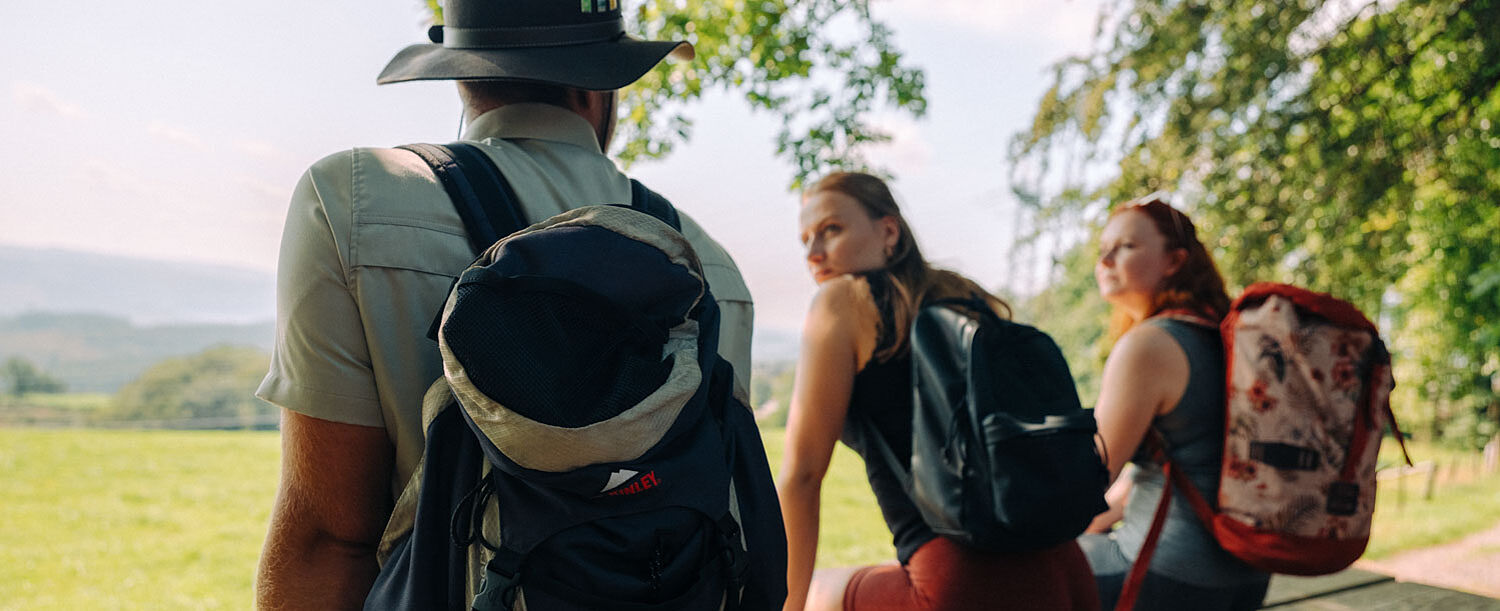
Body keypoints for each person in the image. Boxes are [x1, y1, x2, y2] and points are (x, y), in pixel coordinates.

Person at [252, 1, 755, 608]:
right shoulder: (708, 268)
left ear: (464, 75)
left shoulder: (353, 201)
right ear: (599, 89)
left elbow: (328, 541)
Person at [778, 171, 1098, 611]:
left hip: (958, 584)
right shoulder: (964, 296)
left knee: (817, 594)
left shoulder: (841, 301)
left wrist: (786, 605)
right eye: (806, 240)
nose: (814, 254)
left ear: (888, 230)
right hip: (1067, 572)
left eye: (831, 230)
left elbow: (802, 476)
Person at [1078, 195, 1270, 609]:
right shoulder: (1224, 336)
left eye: (1125, 246)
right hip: (1247, 579)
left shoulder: (1149, 344)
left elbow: (1084, 482)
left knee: (1009, 576)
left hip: (1168, 579)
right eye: (1102, 250)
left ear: (1174, 261)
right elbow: (1154, 474)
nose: (1106, 260)